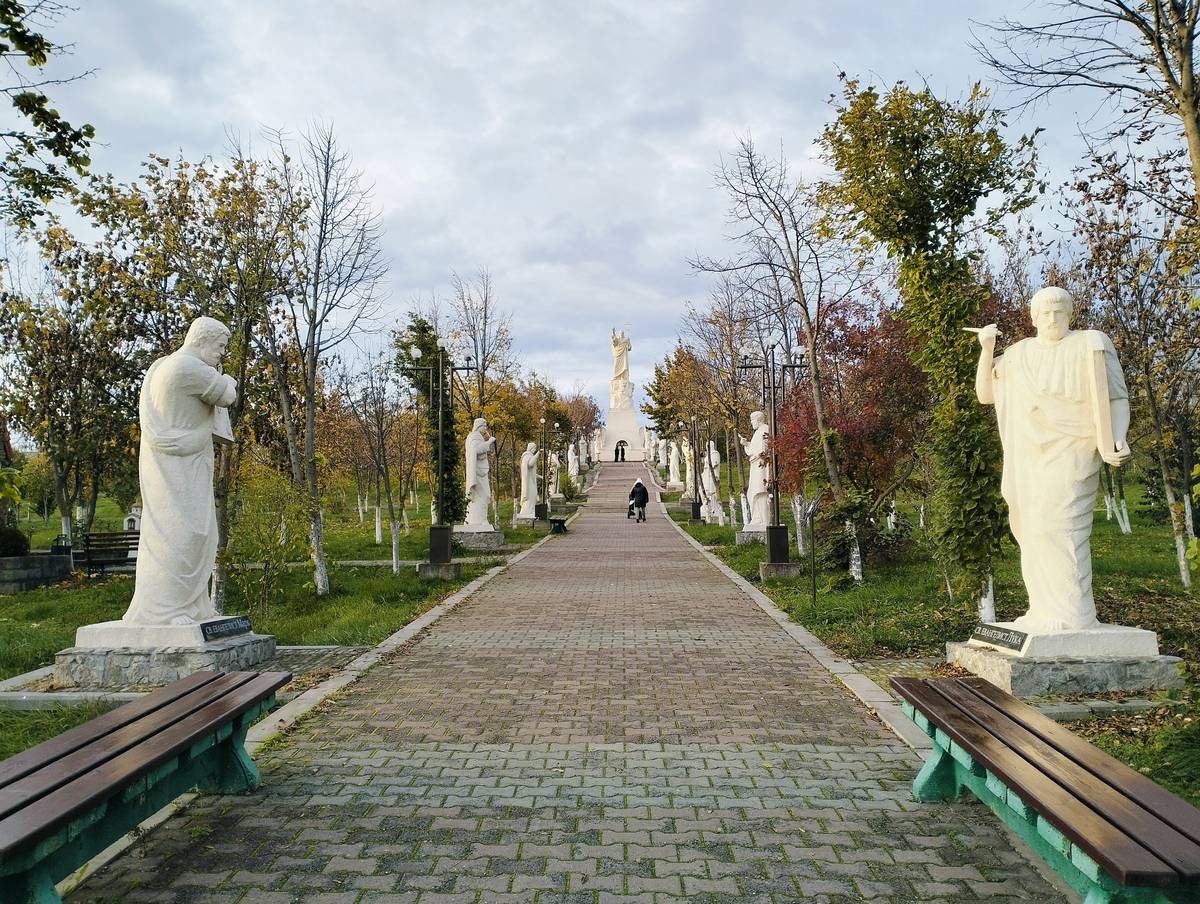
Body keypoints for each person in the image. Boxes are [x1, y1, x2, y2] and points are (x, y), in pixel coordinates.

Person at [974, 286, 1130, 632]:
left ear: (1070, 314)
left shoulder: (1091, 343)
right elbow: (986, 393)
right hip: (1029, 456)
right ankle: (1044, 610)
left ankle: (1075, 615)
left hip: (1075, 448)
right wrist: (987, 350)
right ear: (1033, 319)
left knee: (1061, 526)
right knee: (1031, 529)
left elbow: (1116, 398)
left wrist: (1117, 437)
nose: (1052, 319)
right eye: (1044, 313)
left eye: (1059, 312)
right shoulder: (1019, 355)